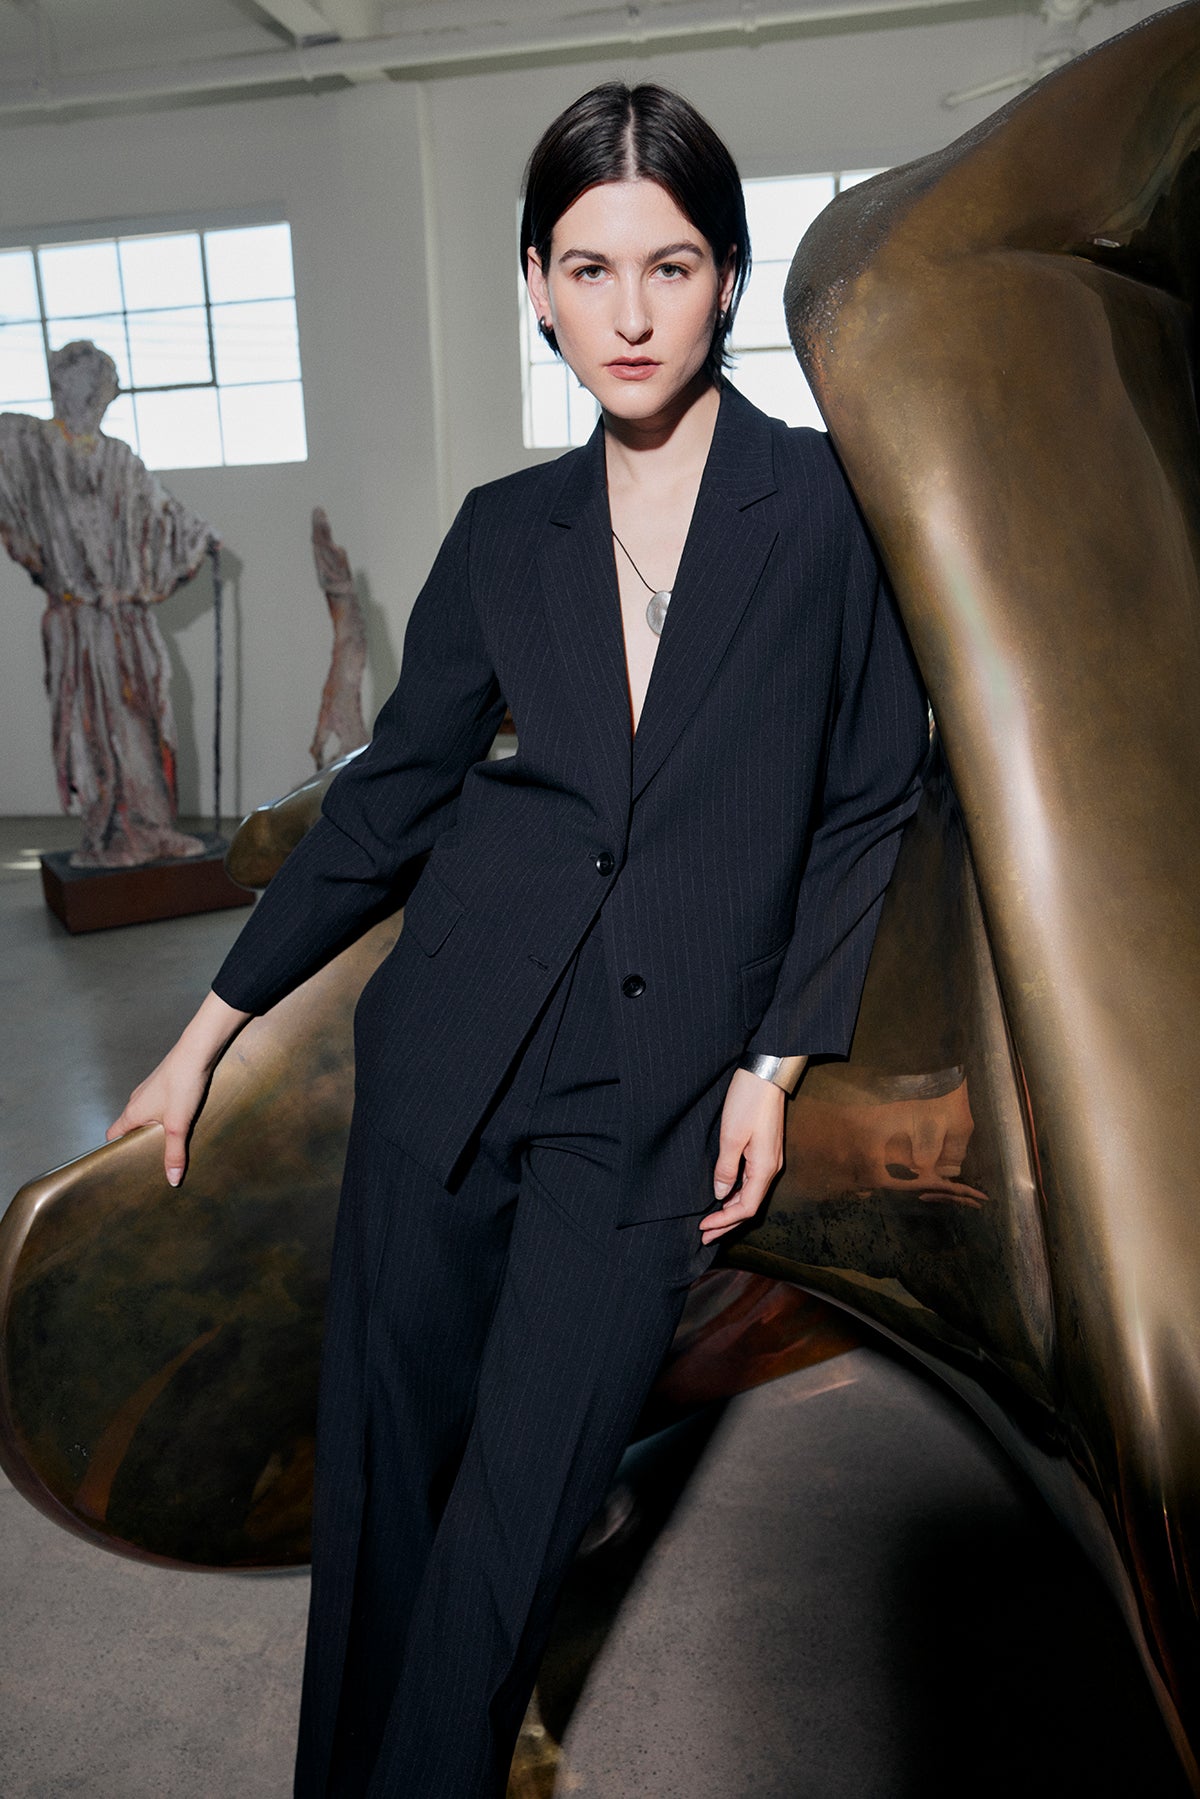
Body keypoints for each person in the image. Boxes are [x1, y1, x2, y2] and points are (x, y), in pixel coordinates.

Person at [108, 81, 929, 1799]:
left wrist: (779, 1055)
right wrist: (207, 1032)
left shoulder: (826, 513)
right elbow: (391, 799)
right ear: (536, 285)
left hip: (659, 1087)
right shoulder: (504, 534)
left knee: (519, 1519)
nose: (630, 313)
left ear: (728, 275)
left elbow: (869, 798)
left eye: (674, 265)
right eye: (588, 267)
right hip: (449, 1057)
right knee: (387, 1487)